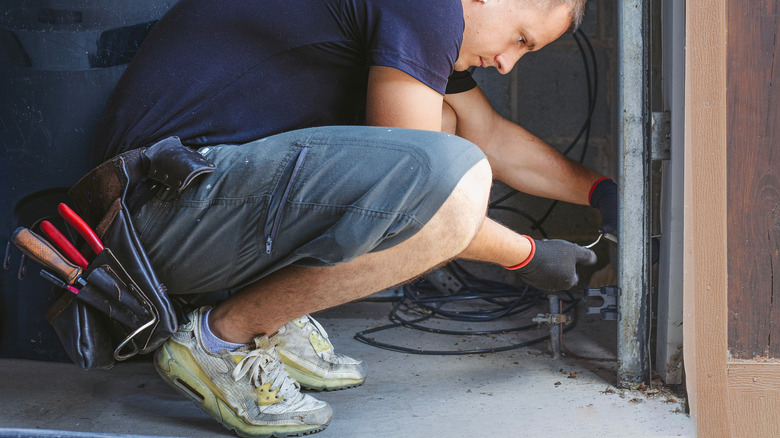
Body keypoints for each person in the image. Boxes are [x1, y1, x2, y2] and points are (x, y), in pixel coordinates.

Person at [88, 0, 617, 436]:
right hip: (151, 220)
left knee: (449, 125)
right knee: (450, 173)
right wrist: (526, 256)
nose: (508, 63)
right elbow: (425, 194)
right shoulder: (429, 8)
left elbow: (491, 134)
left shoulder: (427, 23)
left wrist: (601, 190)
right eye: (521, 39)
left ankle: (266, 317)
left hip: (188, 203)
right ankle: (221, 338)